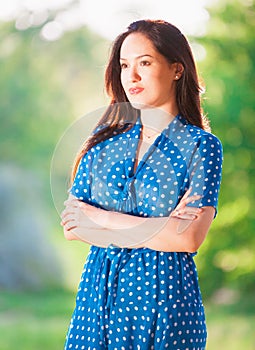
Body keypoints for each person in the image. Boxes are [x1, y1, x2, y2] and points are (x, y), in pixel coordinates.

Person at [61, 19, 223, 350]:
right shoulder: (103, 142)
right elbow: (72, 225)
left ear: (177, 69)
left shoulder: (200, 146)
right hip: (98, 303)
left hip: (164, 305)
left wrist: (104, 218)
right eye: (124, 65)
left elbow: (189, 238)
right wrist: (161, 227)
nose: (131, 76)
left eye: (144, 63)